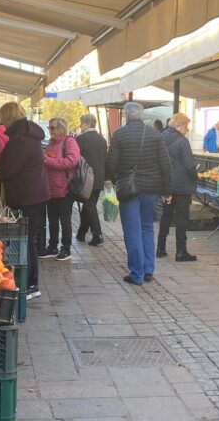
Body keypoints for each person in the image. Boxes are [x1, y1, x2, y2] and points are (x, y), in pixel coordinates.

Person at [104, 102, 173, 285]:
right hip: (151, 188)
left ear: (126, 115)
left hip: (129, 189)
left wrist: (110, 178)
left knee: (132, 231)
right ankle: (148, 270)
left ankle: (136, 274)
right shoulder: (155, 135)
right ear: (142, 115)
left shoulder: (119, 135)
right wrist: (167, 191)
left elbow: (111, 163)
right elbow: (165, 164)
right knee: (147, 228)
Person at [0, 101, 50, 299]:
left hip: (27, 196)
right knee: (28, 240)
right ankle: (31, 284)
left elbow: (9, 170)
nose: (1, 123)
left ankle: (29, 285)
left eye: (2, 119)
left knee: (26, 241)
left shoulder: (20, 139)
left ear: (9, 118)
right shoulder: (28, 136)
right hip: (33, 195)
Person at [157, 112, 198, 262]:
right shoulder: (182, 141)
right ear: (179, 126)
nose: (187, 129)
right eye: (186, 126)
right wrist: (195, 177)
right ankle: (181, 251)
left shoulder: (160, 138)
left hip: (166, 184)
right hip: (182, 186)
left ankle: (160, 248)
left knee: (166, 216)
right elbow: (189, 165)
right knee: (181, 218)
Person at [42, 118, 81, 262]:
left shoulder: (69, 141)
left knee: (65, 220)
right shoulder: (51, 143)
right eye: (49, 127)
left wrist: (48, 161)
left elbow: (72, 161)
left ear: (61, 128)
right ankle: (52, 247)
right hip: (50, 187)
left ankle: (66, 249)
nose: (50, 130)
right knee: (52, 219)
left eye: (53, 128)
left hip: (65, 188)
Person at [76, 113, 107, 246]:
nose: (80, 125)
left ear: (87, 123)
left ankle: (97, 234)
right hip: (99, 176)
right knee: (89, 205)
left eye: (82, 122)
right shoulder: (102, 139)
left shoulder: (81, 138)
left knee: (89, 205)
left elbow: (76, 158)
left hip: (87, 177)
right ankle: (81, 233)